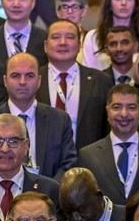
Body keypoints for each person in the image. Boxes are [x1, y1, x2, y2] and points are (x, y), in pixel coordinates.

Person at [0, 53, 74, 179]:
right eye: (15, 76)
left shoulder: (59, 120)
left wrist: (47, 191)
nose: (23, 82)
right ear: (5, 81)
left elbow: (68, 165)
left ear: (39, 81)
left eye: (29, 76)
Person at [78, 83, 139, 206]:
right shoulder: (88, 155)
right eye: (116, 107)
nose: (124, 114)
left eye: (131, 107)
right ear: (107, 111)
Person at [39, 19, 111, 147]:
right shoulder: (33, 80)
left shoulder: (101, 81)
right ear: (45, 46)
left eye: (70, 37)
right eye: (56, 37)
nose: (63, 42)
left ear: (79, 45)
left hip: (88, 162)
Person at [82, 0, 139, 72]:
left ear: (135, 4)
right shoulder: (93, 37)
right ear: (109, 4)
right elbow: (88, 74)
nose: (124, 3)